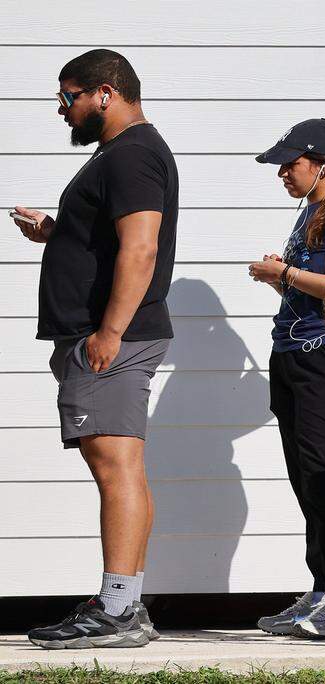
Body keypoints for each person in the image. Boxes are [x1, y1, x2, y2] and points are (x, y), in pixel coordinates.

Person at [18, 49, 177, 649]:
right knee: (117, 465)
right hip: (106, 334)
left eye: (69, 97)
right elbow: (112, 242)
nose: (64, 110)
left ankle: (118, 610)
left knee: (115, 467)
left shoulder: (133, 154)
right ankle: (121, 603)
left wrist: (109, 331)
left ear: (104, 94)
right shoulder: (123, 154)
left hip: (115, 338)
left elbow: (140, 250)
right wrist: (58, 235)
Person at [246, 119, 325, 639]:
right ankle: (321, 591)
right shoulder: (312, 215)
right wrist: (285, 281)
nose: (282, 173)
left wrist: (287, 275)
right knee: (305, 481)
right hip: (293, 357)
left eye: (290, 163)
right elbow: (310, 298)